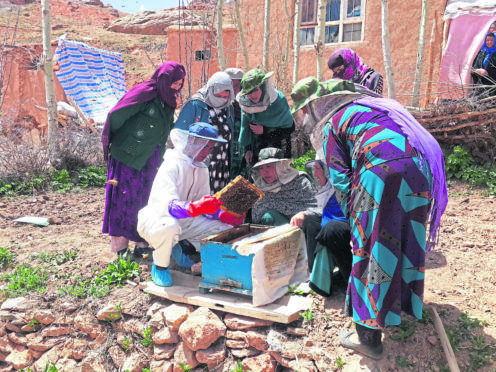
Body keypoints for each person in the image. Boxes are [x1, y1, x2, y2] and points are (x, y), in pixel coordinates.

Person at [291, 77, 448, 359]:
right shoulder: (368, 110)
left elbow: (340, 181)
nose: (303, 119)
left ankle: (368, 339)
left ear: (315, 108)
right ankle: (401, 306)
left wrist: (356, 227)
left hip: (380, 173)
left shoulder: (332, 124)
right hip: (419, 169)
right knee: (405, 239)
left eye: (304, 112)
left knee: (371, 250)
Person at [137, 123, 244, 287]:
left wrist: (223, 215)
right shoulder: (172, 164)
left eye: (211, 148)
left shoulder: (202, 169)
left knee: (224, 230)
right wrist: (196, 207)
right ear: (194, 142)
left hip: (186, 223)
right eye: (205, 147)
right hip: (158, 220)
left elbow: (204, 204)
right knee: (169, 228)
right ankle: (160, 266)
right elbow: (168, 205)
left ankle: (183, 247)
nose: (208, 152)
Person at [101, 61, 186, 258]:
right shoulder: (144, 93)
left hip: (150, 160)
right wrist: (123, 140)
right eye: (174, 83)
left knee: (144, 200)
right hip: (127, 159)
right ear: (164, 80)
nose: (177, 87)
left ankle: (141, 243)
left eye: (180, 84)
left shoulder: (167, 101)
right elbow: (116, 116)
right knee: (123, 200)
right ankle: (120, 248)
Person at [175, 72, 235, 193]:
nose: (221, 98)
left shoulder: (228, 108)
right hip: (199, 163)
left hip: (221, 165)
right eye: (218, 94)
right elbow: (179, 135)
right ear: (211, 89)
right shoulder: (195, 105)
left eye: (225, 95)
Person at [299, 160, 352, 297]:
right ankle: (316, 274)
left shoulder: (344, 187)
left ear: (329, 171)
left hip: (349, 225)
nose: (315, 174)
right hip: (331, 222)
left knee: (331, 230)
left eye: (318, 169)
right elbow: (322, 209)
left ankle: (352, 283)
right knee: (310, 221)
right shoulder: (327, 188)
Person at [238, 69, 295, 166]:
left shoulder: (278, 102)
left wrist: (265, 130)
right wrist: (248, 149)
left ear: (263, 87)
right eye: (248, 92)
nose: (251, 95)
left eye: (255, 90)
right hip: (257, 150)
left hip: (279, 149)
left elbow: (290, 128)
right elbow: (246, 127)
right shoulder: (247, 105)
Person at [249, 147, 318, 226]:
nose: (265, 172)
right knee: (269, 217)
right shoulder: (260, 189)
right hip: (273, 233)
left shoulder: (300, 181)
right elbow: (256, 218)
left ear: (281, 166)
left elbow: (317, 207)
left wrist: (304, 214)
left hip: (302, 229)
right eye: (261, 168)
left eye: (268, 166)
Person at [224, 67, 248, 179]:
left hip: (243, 152)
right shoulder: (219, 105)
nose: (233, 89)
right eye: (230, 86)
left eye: (236, 86)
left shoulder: (247, 105)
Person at [471, 32, 496, 98]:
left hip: (493, 87)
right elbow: (473, 69)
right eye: (487, 40)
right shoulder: (482, 53)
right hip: (481, 87)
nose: (489, 42)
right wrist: (479, 70)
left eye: (492, 40)